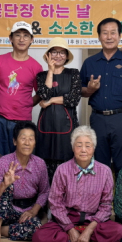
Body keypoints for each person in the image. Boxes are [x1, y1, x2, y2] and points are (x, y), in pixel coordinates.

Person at [33, 126, 122, 242]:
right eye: (79, 145)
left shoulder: (105, 171)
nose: (83, 150)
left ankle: (80, 237)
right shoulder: (62, 170)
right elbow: (55, 203)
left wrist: (89, 230)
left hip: (93, 221)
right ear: (73, 148)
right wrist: (70, 228)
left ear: (94, 148)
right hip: (67, 219)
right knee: (39, 237)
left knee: (118, 231)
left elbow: (106, 205)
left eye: (88, 145)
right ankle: (79, 237)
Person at [80, 17, 122, 172]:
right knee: (99, 165)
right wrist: (90, 89)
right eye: (105, 33)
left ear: (119, 36)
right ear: (99, 36)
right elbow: (81, 91)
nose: (109, 37)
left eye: (113, 33)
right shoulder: (89, 62)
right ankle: (103, 189)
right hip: (98, 119)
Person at [0, 121, 50, 242]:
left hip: (27, 212)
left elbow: (45, 192)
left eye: (31, 139)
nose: (27, 143)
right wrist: (3, 184)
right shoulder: (4, 162)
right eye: (23, 138)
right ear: (15, 141)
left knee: (37, 228)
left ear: (35, 143)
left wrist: (33, 211)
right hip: (4, 211)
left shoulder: (40, 164)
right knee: (7, 187)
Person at [0, 21, 43, 155]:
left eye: (26, 35)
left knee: (21, 160)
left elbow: (41, 93)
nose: (21, 39)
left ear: (31, 40)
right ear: (11, 38)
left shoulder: (36, 67)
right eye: (17, 35)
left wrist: (27, 104)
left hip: (22, 122)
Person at [36, 37, 81, 182]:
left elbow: (74, 99)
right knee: (45, 163)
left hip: (68, 124)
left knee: (68, 162)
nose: (58, 55)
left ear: (67, 56)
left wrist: (51, 101)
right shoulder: (41, 76)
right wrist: (50, 71)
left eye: (62, 52)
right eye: (54, 52)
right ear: (48, 55)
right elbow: (44, 94)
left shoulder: (73, 73)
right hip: (46, 125)